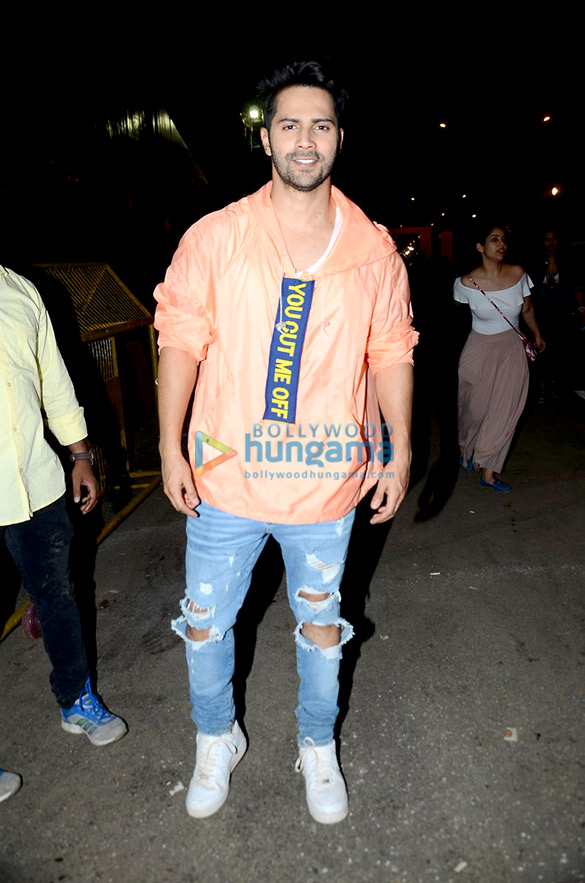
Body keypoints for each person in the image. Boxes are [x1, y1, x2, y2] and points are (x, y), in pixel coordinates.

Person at [154, 60, 417, 824]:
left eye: (321, 125)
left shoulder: (372, 250)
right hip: (224, 478)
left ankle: (315, 742)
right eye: (290, 124)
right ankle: (216, 735)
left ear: (339, 138)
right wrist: (169, 447)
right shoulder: (216, 237)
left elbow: (391, 350)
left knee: (320, 624)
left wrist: (398, 448)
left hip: (325, 482)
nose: (306, 139)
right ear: (265, 138)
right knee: (205, 623)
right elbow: (179, 338)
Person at [0, 264, 128, 800]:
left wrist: (79, 454)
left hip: (37, 481)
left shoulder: (19, 290)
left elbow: (52, 378)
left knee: (58, 598)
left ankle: (76, 699)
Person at [454, 225, 545, 493]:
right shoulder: (465, 283)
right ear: (480, 247)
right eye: (494, 239)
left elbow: (527, 308)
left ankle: (489, 470)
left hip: (511, 348)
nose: (501, 244)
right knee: (474, 409)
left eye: (503, 239)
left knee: (505, 410)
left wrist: (537, 334)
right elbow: (458, 307)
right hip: (479, 349)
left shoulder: (518, 274)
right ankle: (465, 448)